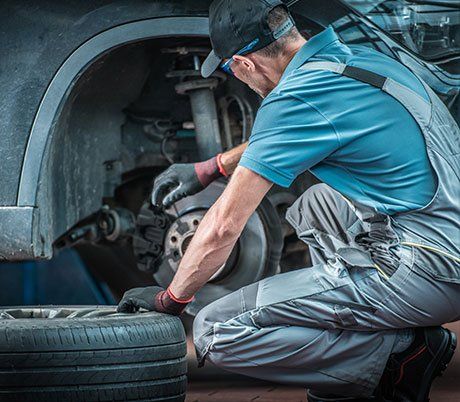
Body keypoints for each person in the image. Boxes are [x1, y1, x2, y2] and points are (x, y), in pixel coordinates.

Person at [117, 1, 460, 400]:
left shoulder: (294, 100)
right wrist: (211, 167)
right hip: (446, 240)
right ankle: (356, 347)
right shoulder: (356, 61)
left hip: (430, 271)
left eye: (230, 69)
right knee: (316, 205)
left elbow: (224, 227)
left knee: (216, 330)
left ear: (244, 65)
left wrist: (172, 298)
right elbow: (290, 135)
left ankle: (397, 355)